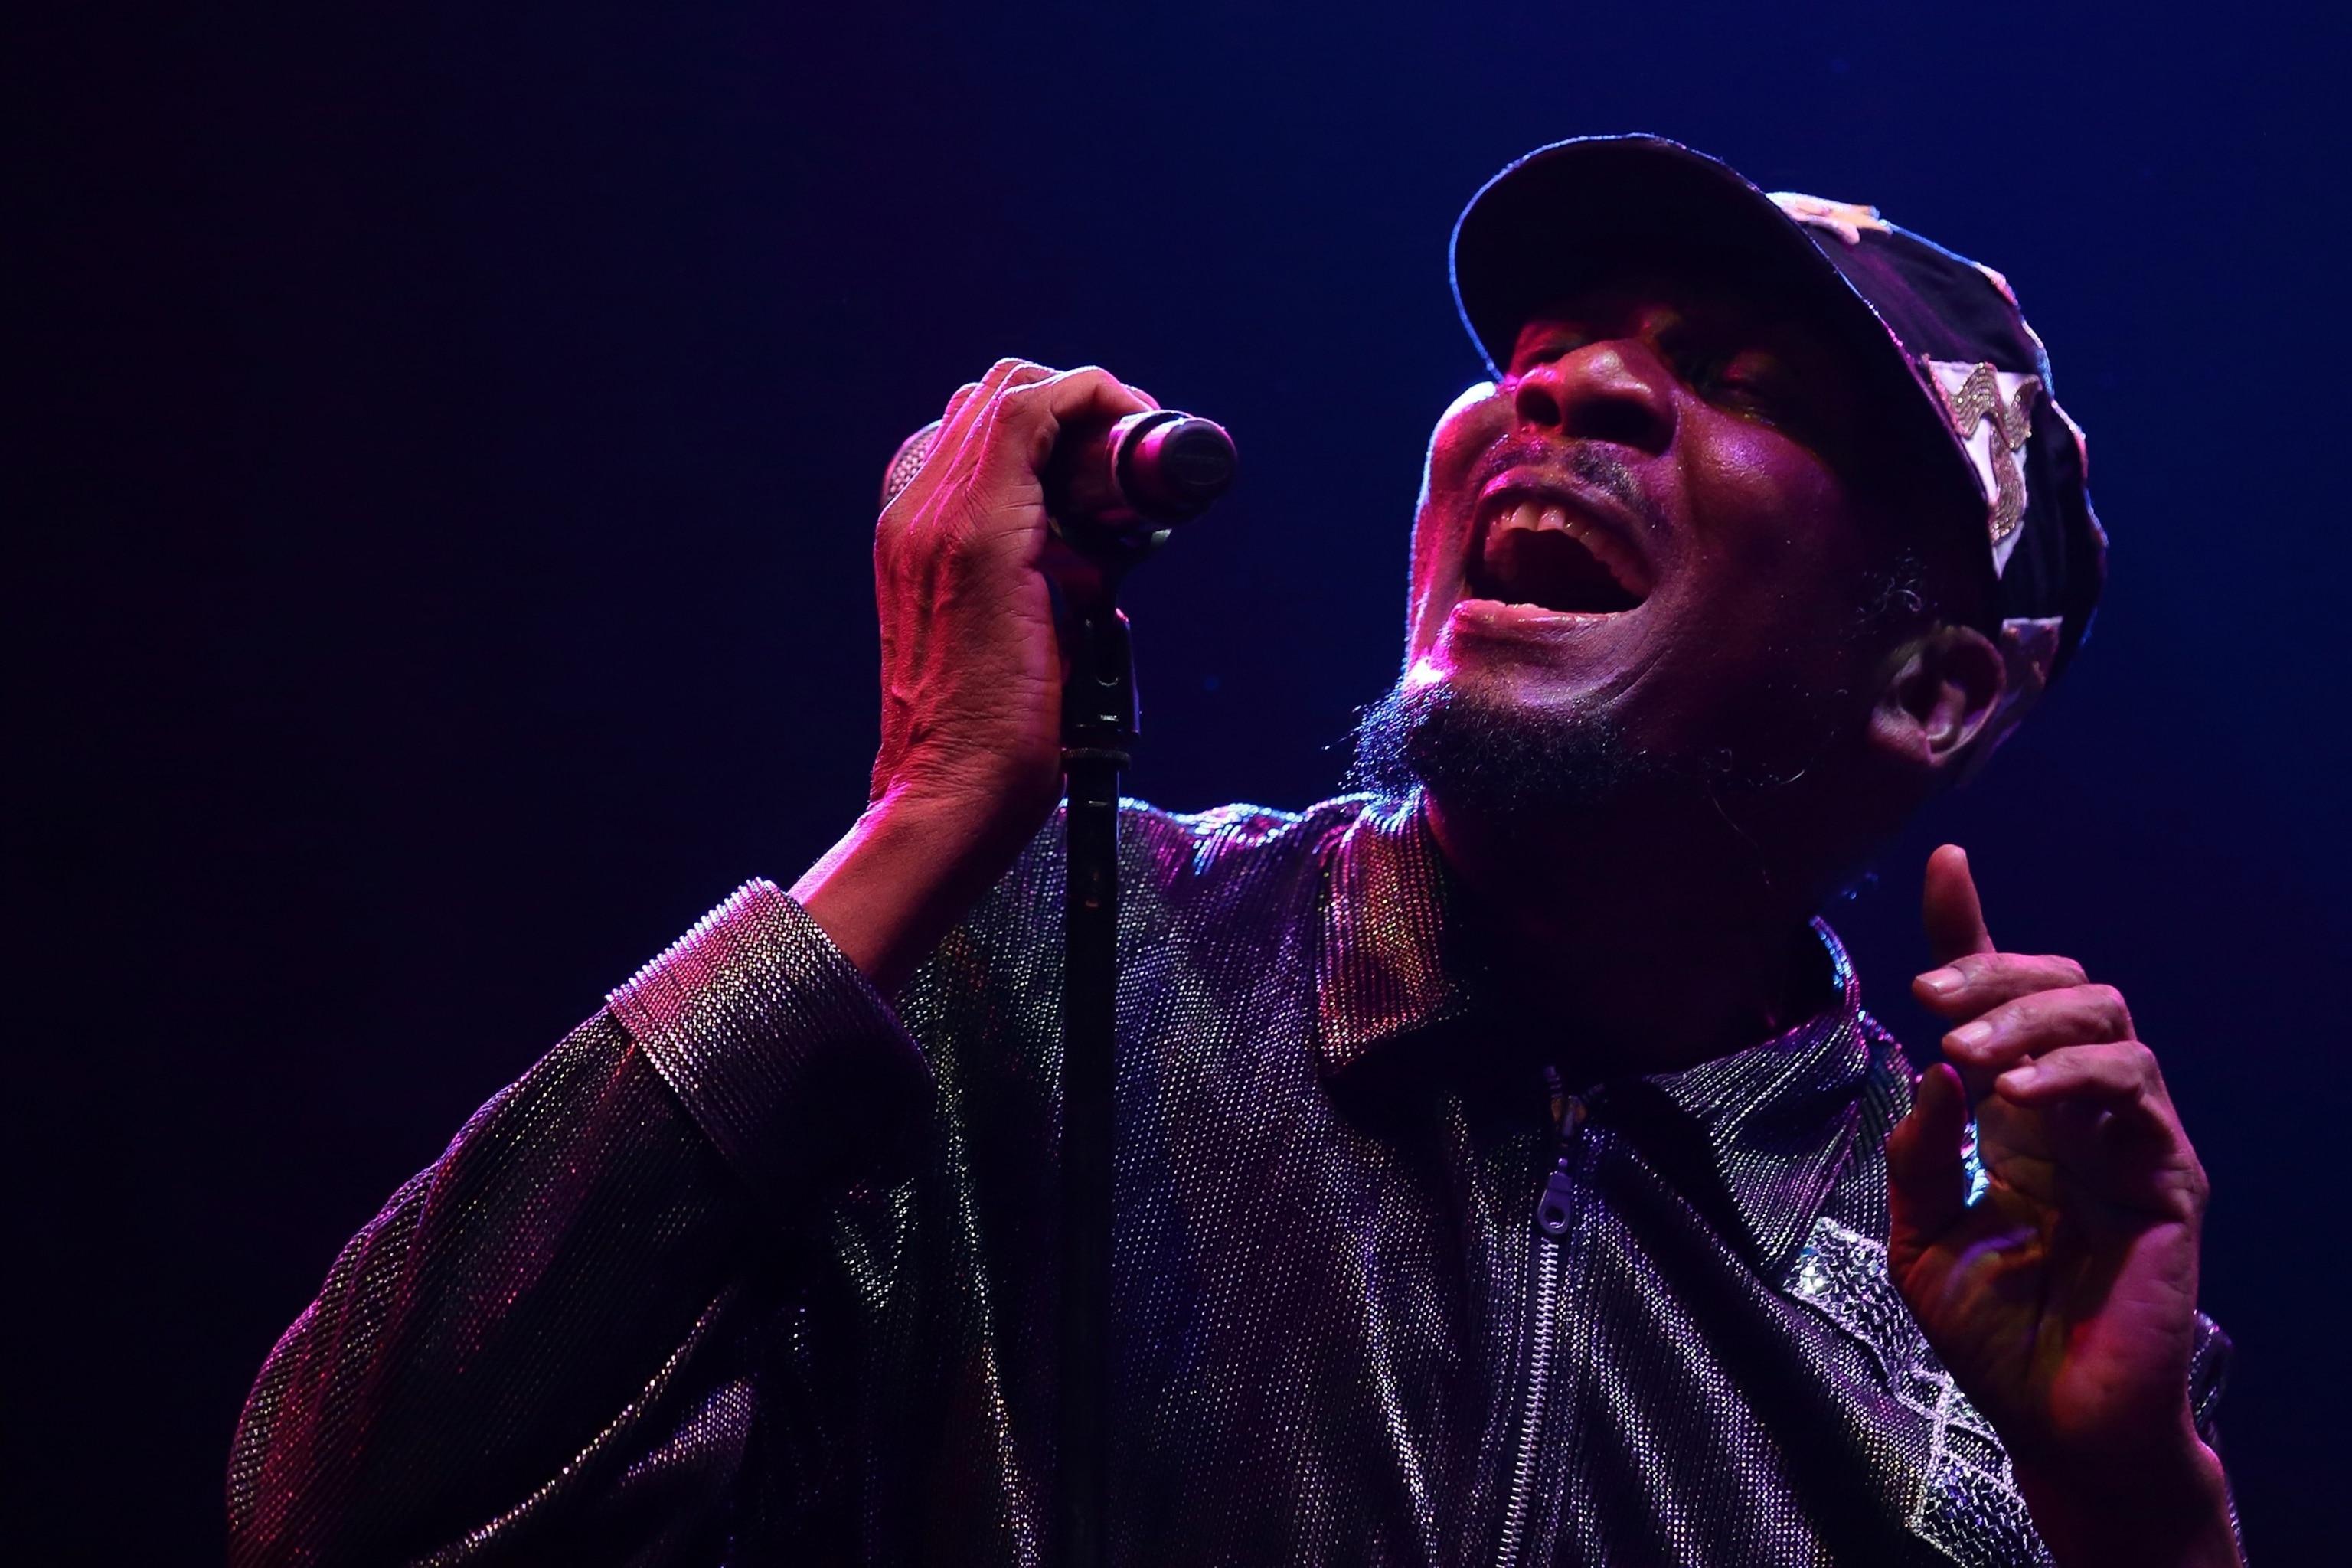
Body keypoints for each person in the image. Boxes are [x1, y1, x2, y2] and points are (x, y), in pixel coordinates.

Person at [228, 136, 2241, 1567]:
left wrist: (2137, 1517)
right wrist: (923, 819)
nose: (1571, 388)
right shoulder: (1035, 962)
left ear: (1931, 691)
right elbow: (340, 1509)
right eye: (1543, 347)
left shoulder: (1987, 1271)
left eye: (1738, 385)